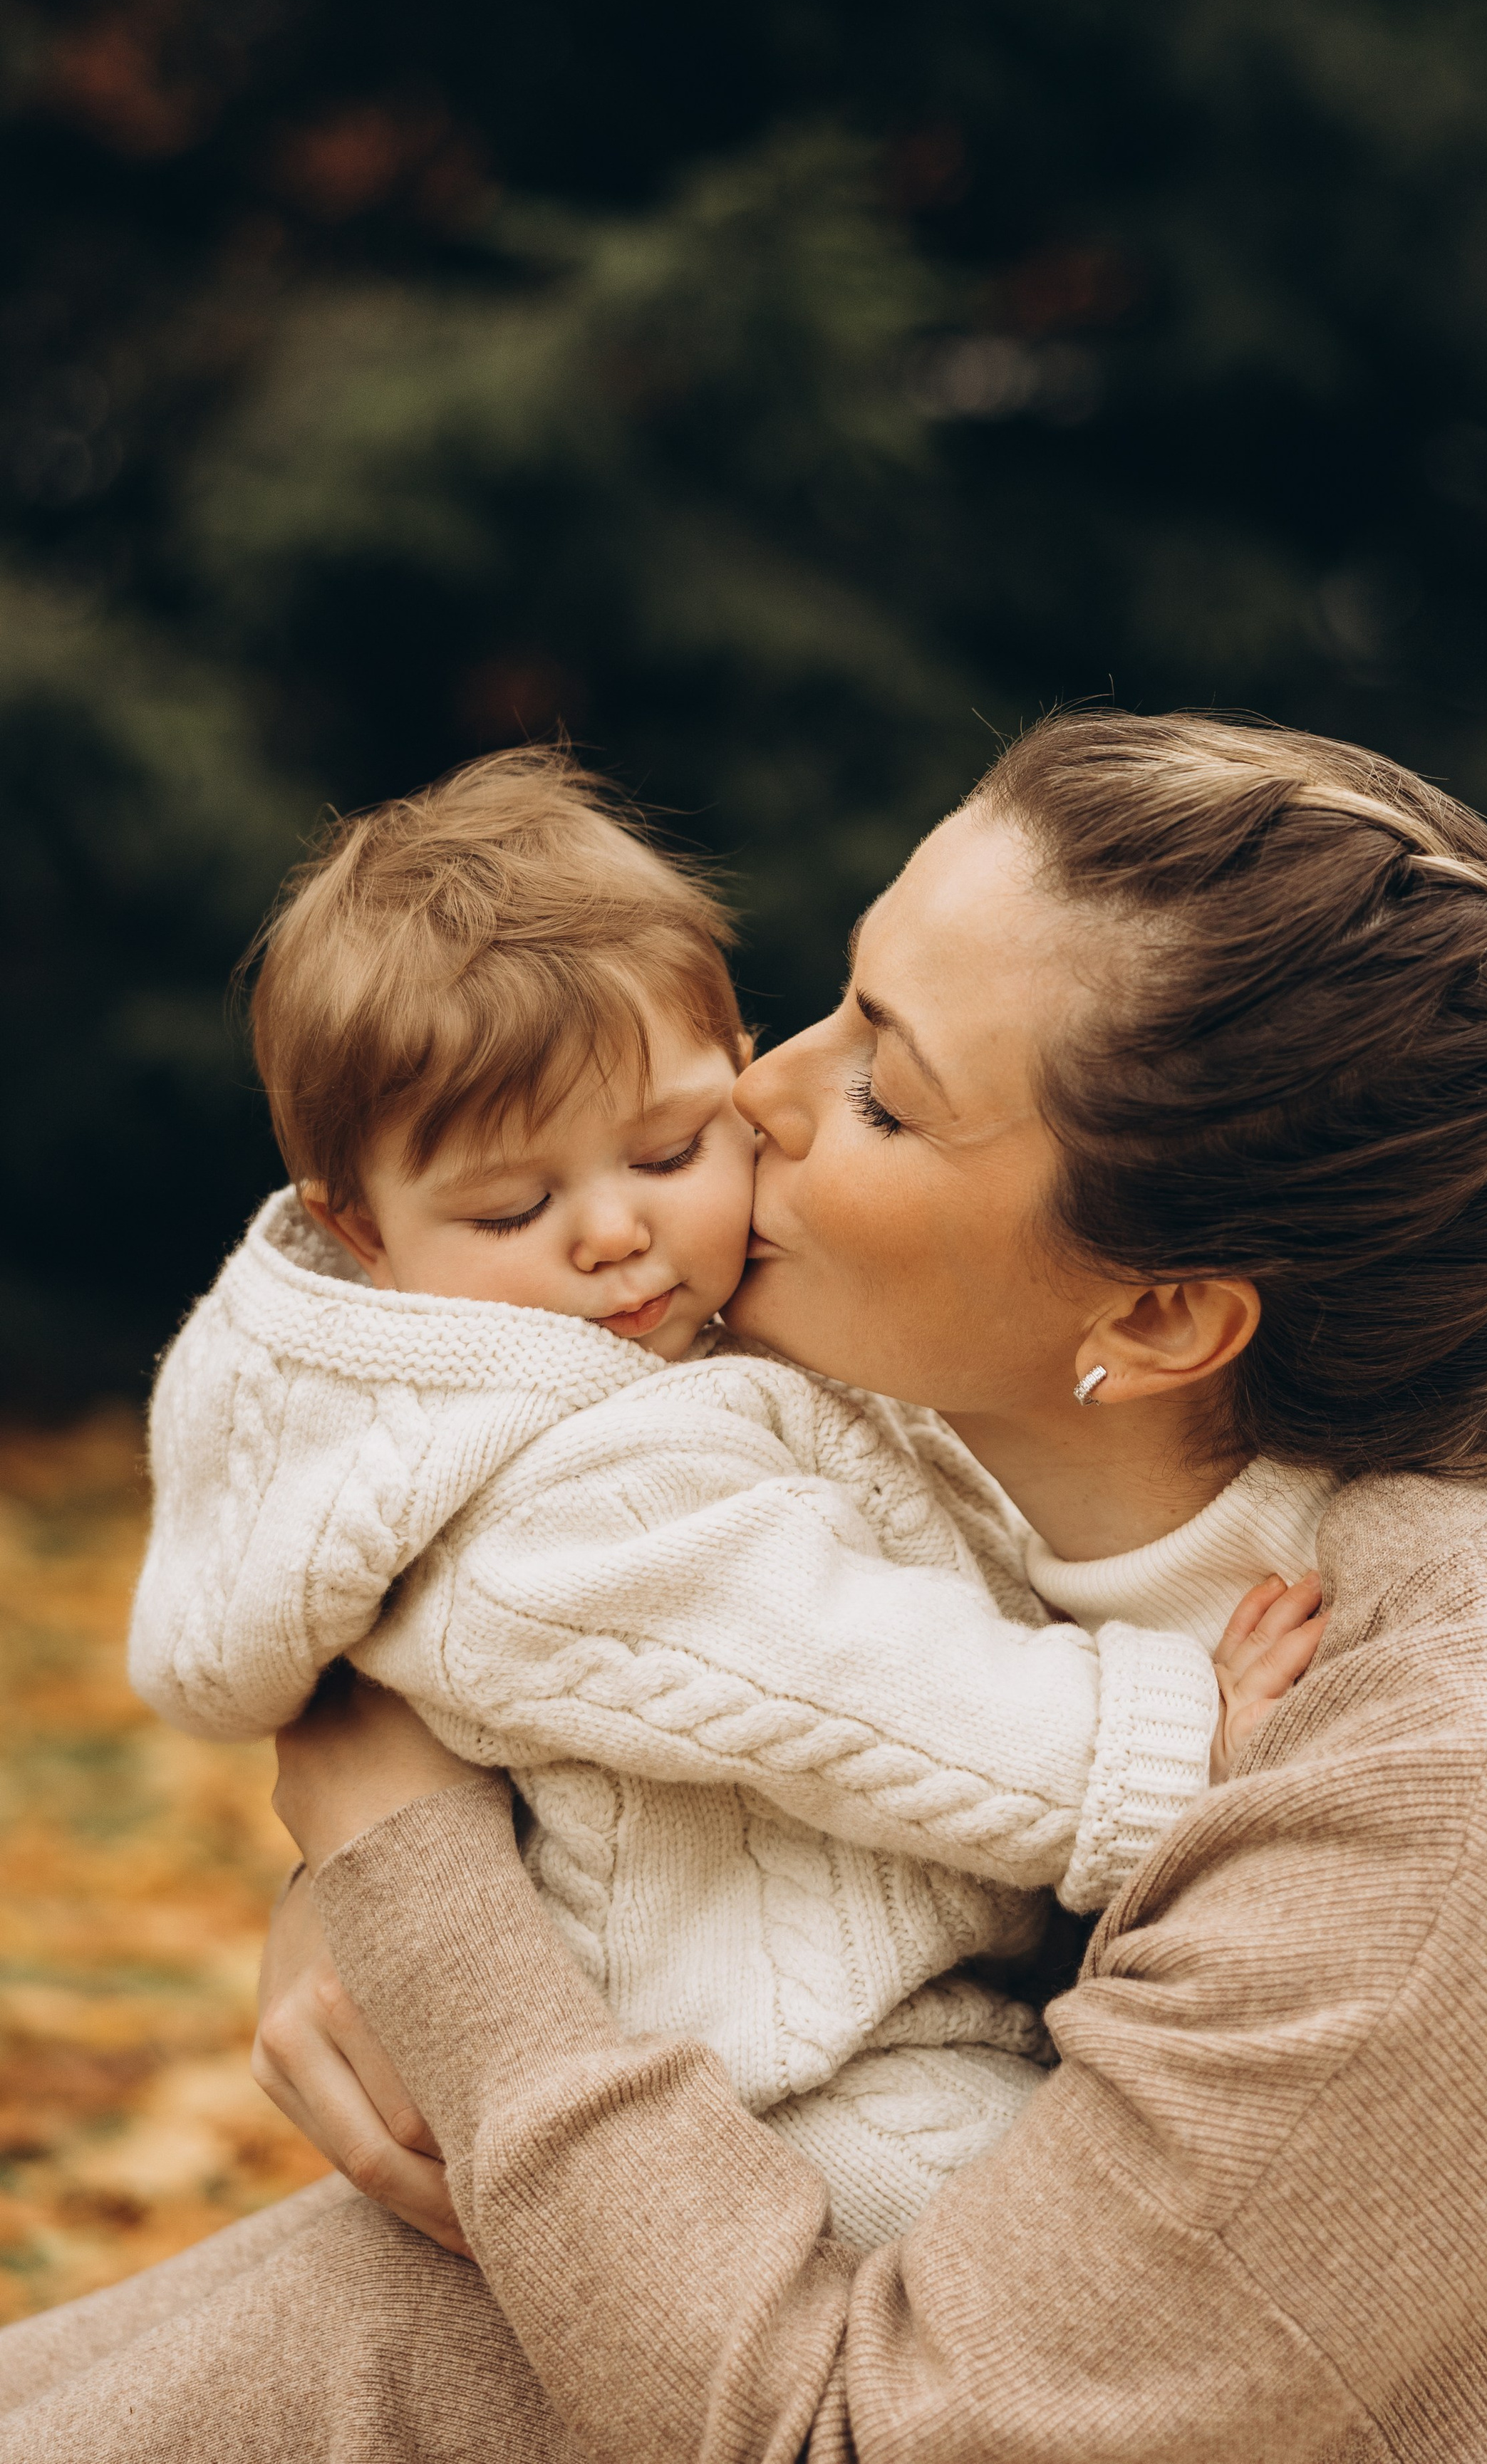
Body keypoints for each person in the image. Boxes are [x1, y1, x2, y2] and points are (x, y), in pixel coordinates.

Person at [4, 709, 1487, 2460]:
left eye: (882, 1088)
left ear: (1161, 1316)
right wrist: (397, 1850)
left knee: (414, 2339)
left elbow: (858, 2438)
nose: (749, 1100)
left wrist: (400, 1854)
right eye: (831, 1000)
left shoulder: (1441, 1770)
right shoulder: (929, 1475)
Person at [130, 746, 1322, 2246]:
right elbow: (851, 1672)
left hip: (886, 2004)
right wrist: (1164, 1741)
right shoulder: (557, 1499)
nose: (616, 1234)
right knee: (1103, 2257)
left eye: (670, 1149)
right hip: (777, 2081)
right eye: (512, 1207)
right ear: (362, 1232)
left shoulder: (686, 1353)